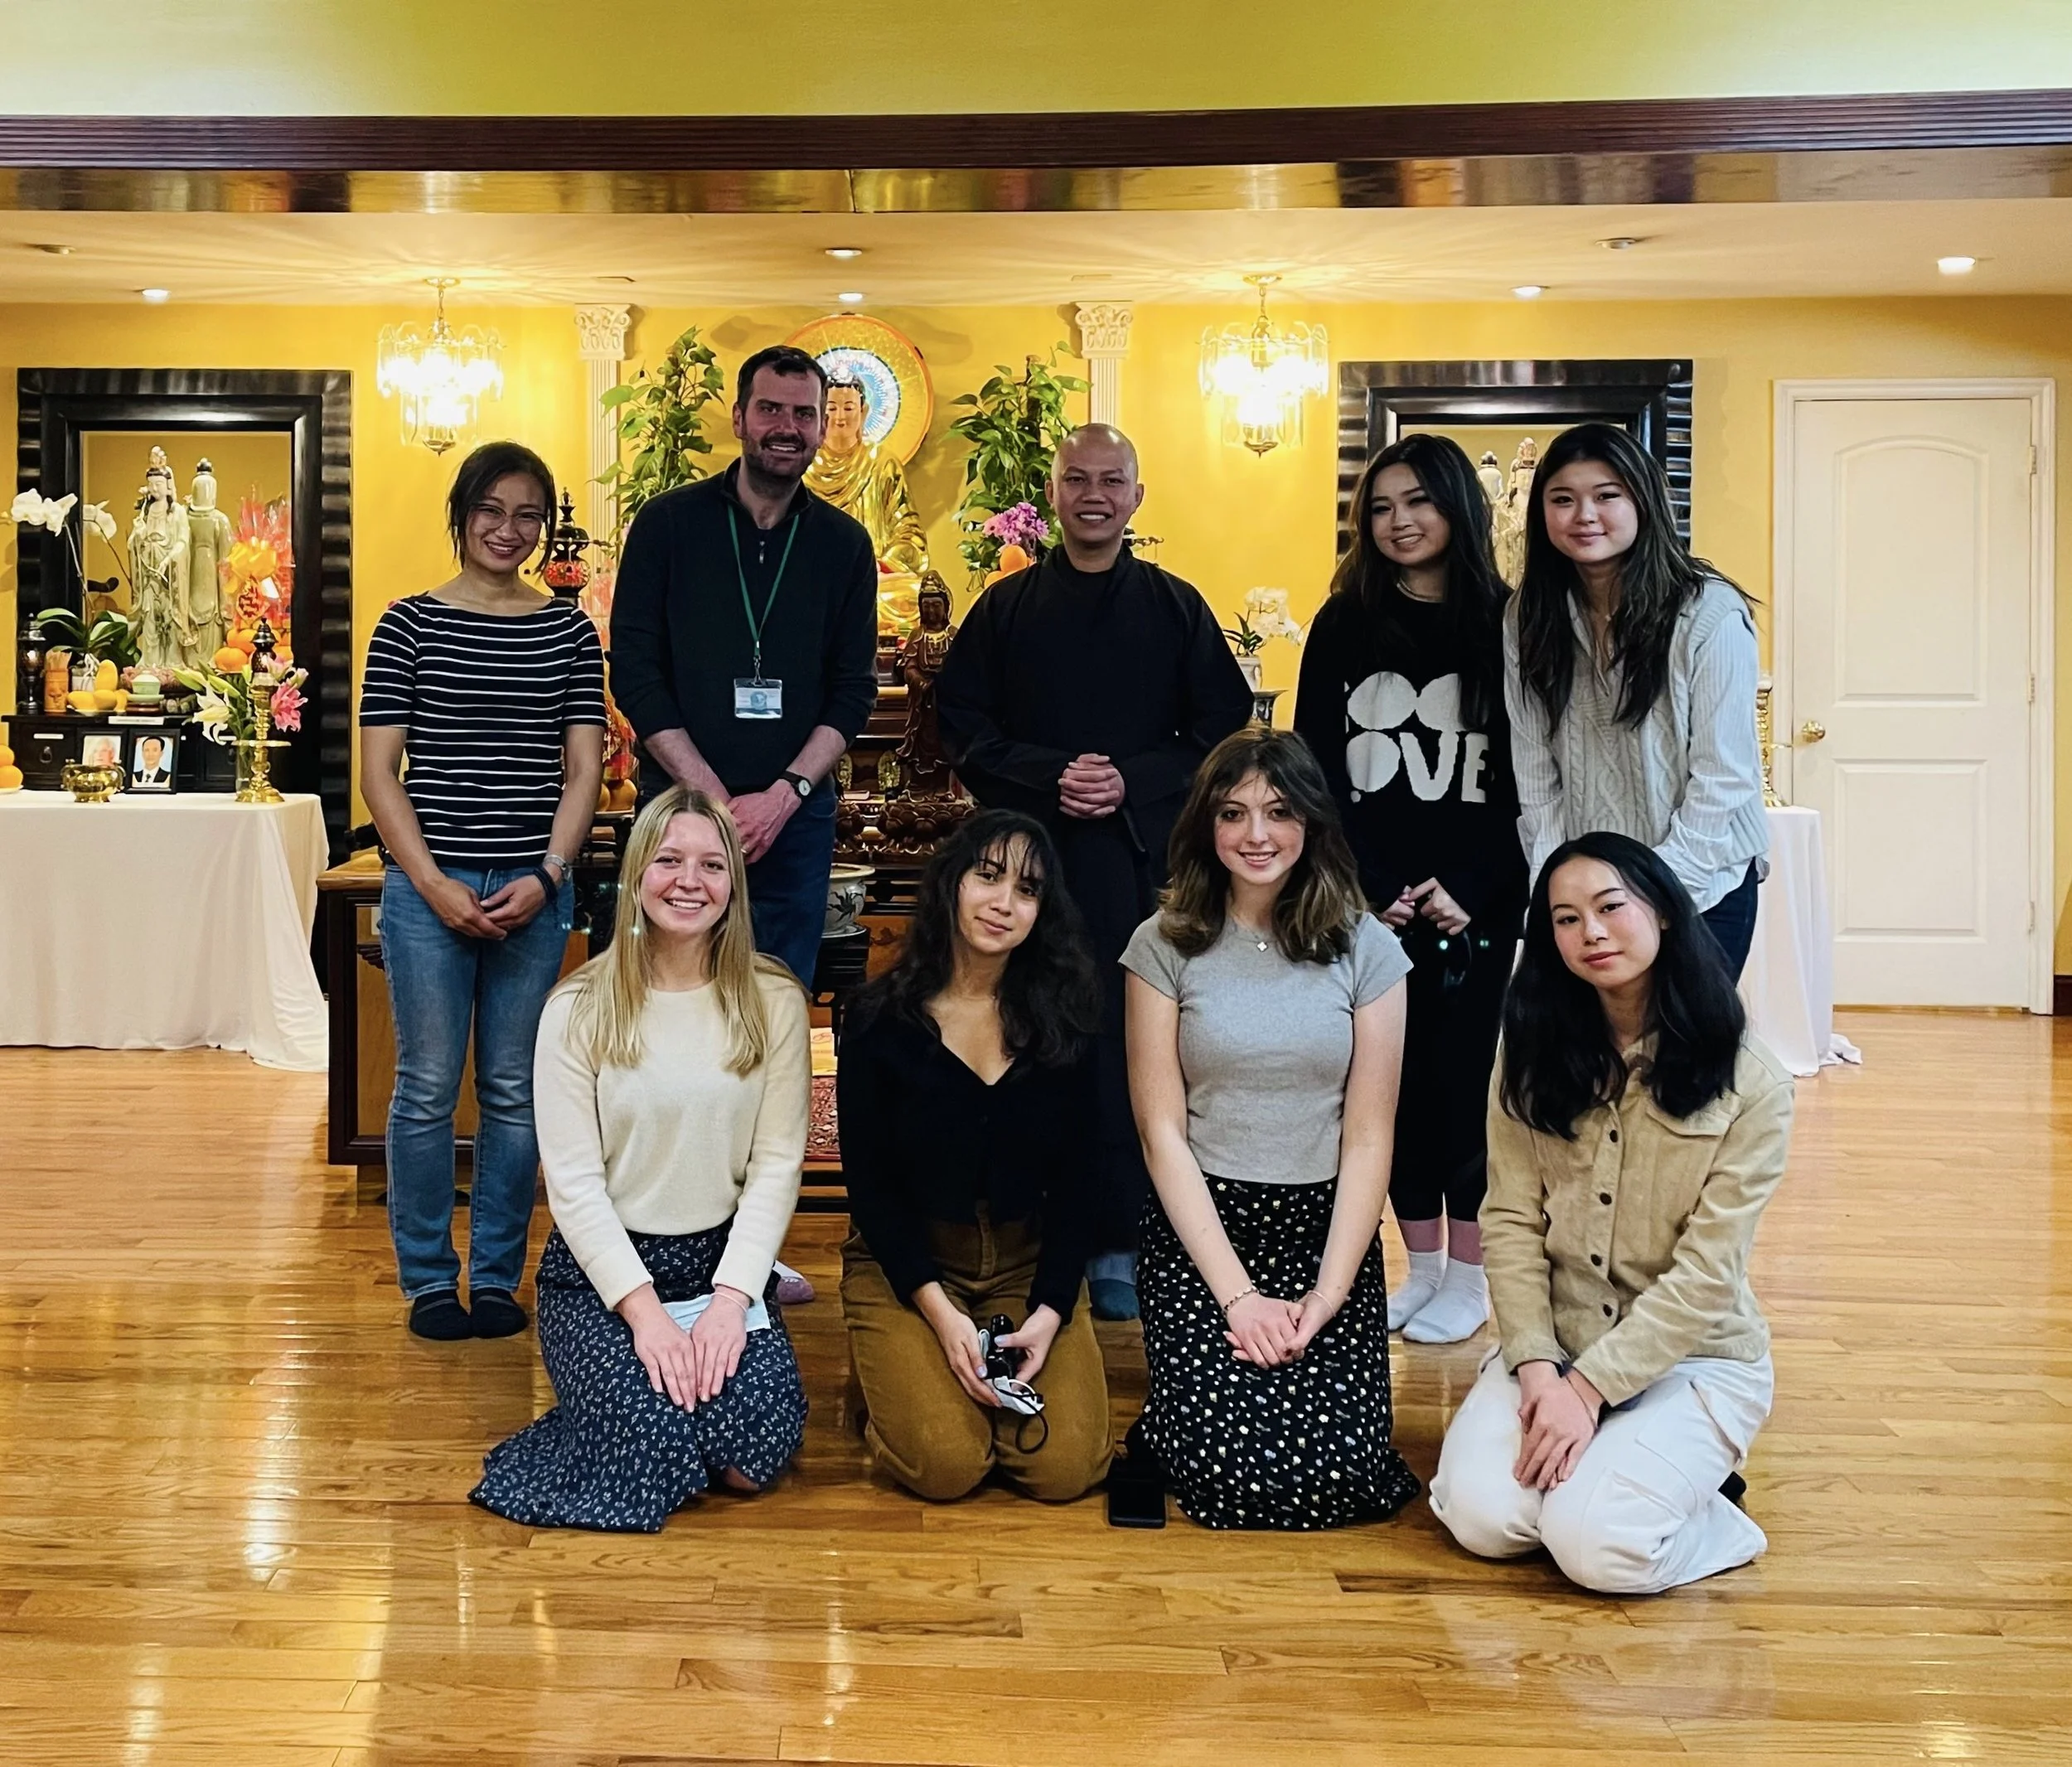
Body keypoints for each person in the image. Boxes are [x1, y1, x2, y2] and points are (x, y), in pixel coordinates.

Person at [937, 424, 1253, 1320]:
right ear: (1052, 493)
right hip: (1025, 867)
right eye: (1077, 478)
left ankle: (1118, 1233)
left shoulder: (1174, 606)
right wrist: (1052, 774)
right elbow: (960, 723)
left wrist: (1130, 779)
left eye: (1111, 479)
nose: (1094, 494)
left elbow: (1221, 731)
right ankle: (1026, 1228)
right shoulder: (1004, 610)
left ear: (1136, 494)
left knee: (1125, 1043)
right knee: (1022, 1030)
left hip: (1134, 863)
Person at [1429, 832, 1792, 1593]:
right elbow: (1511, 1221)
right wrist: (1537, 1371)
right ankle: (1617, 1478)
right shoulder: (1529, 1050)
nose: (1590, 932)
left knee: (1600, 1552)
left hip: (1692, 1360)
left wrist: (1587, 1393)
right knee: (1482, 1520)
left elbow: (1707, 1275)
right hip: (1554, 1345)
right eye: (1564, 919)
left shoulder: (1750, 1079)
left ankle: (1716, 1516)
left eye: (1609, 907)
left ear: (1661, 911)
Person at [471, 787, 810, 1531]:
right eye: (669, 860)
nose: (690, 881)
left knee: (750, 1460)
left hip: (721, 1267)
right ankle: (608, 1408)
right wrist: (646, 1314)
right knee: (656, 1447)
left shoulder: (774, 999)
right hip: (605, 1278)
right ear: (636, 874)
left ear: (734, 883)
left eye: (713, 864)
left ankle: (631, 1405)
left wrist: (730, 1303)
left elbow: (778, 1165)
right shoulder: (577, 1007)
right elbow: (574, 1185)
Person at [1121, 726, 1420, 1530]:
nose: (1256, 834)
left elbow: (1368, 1137)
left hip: (1324, 1234)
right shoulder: (1162, 943)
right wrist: (1239, 1298)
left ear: (1311, 822)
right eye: (1233, 812)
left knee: (1345, 1476)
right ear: (1206, 826)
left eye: (1278, 810)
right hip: (1204, 1230)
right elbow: (1162, 1135)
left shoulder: (1369, 947)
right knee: (1232, 1476)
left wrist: (1324, 1296)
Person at [360, 442, 606, 1342]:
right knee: (425, 1087)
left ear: (544, 528)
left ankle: (498, 1276)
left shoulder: (568, 629)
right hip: (430, 886)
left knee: (513, 1087)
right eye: (493, 510)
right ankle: (429, 1279)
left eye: (528, 515)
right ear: (462, 514)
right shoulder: (407, 623)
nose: (510, 529)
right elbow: (380, 772)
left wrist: (548, 875)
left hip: (533, 892)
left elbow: (583, 770)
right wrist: (427, 881)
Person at [1296, 434, 1529, 1346]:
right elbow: (1315, 767)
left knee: (1465, 1088)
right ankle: (1421, 1266)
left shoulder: (1507, 622)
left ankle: (1471, 1273)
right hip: (1372, 901)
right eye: (1382, 506)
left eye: (1418, 502)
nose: (1398, 522)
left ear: (1456, 510)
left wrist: (1471, 885)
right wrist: (1370, 886)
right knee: (1384, 1085)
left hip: (1477, 900)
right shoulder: (1343, 622)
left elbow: (1528, 775)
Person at [838, 810, 1114, 1503]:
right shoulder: (878, 1019)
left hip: (1026, 1263)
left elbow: (1085, 1176)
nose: (1003, 903)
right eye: (987, 877)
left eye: (1027, 890)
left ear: (1042, 911)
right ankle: (880, 1378)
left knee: (1066, 1471)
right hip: (912, 1265)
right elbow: (871, 1189)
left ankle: (934, 1380)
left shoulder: (1068, 1017)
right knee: (946, 1466)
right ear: (951, 883)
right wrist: (939, 1313)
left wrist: (1051, 1309)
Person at [610, 343, 879, 987]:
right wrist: (713, 800)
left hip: (795, 814)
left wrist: (783, 798)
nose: (787, 428)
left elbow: (852, 692)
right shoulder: (667, 524)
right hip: (679, 807)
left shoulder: (844, 544)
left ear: (821, 426)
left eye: (804, 414)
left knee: (780, 995)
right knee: (668, 991)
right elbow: (637, 676)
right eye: (770, 409)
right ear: (738, 418)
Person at [1506, 422, 1767, 978]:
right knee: (1588, 1062)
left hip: (1702, 884)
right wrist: (1554, 880)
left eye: (1607, 496)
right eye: (1563, 500)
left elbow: (1724, 777)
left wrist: (1655, 894)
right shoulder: (1528, 615)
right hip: (1584, 900)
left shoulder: (1708, 612)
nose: (1584, 515)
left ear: (1643, 501)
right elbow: (1534, 769)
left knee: (1682, 1060)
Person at [804, 373, 929, 574]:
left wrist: (883, 565)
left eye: (849, 408)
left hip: (874, 575)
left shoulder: (881, 463)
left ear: (863, 412)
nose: (840, 417)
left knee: (907, 597)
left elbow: (909, 532)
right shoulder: (804, 467)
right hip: (814, 574)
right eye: (832, 408)